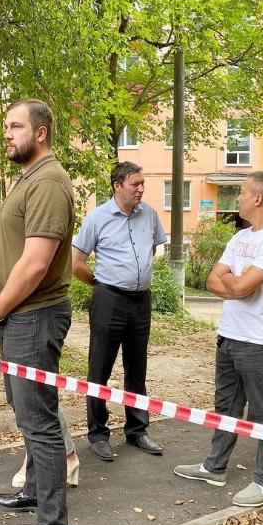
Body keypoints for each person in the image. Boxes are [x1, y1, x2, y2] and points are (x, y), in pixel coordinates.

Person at [0, 99, 74, 525]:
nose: (7, 134)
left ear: (40, 132)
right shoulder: (31, 178)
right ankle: (34, 489)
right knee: (25, 410)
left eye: (15, 126)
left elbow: (35, 264)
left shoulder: (50, 181)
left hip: (33, 316)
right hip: (21, 315)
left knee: (41, 424)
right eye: (5, 127)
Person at [173, 172, 263, 507]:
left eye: (242, 192)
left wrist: (234, 283)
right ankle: (214, 467)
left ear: (258, 198)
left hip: (261, 341)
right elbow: (212, 282)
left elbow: (239, 287)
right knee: (225, 406)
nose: (238, 198)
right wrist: (236, 284)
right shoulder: (241, 236)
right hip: (229, 335)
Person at [72, 162, 168, 463]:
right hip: (109, 300)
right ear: (117, 185)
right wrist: (103, 285)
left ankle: (137, 429)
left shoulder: (149, 214)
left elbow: (151, 250)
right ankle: (98, 434)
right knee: (99, 367)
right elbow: (77, 263)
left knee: (137, 368)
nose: (140, 189)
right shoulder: (97, 217)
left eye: (142, 184)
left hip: (141, 301)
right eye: (135, 184)